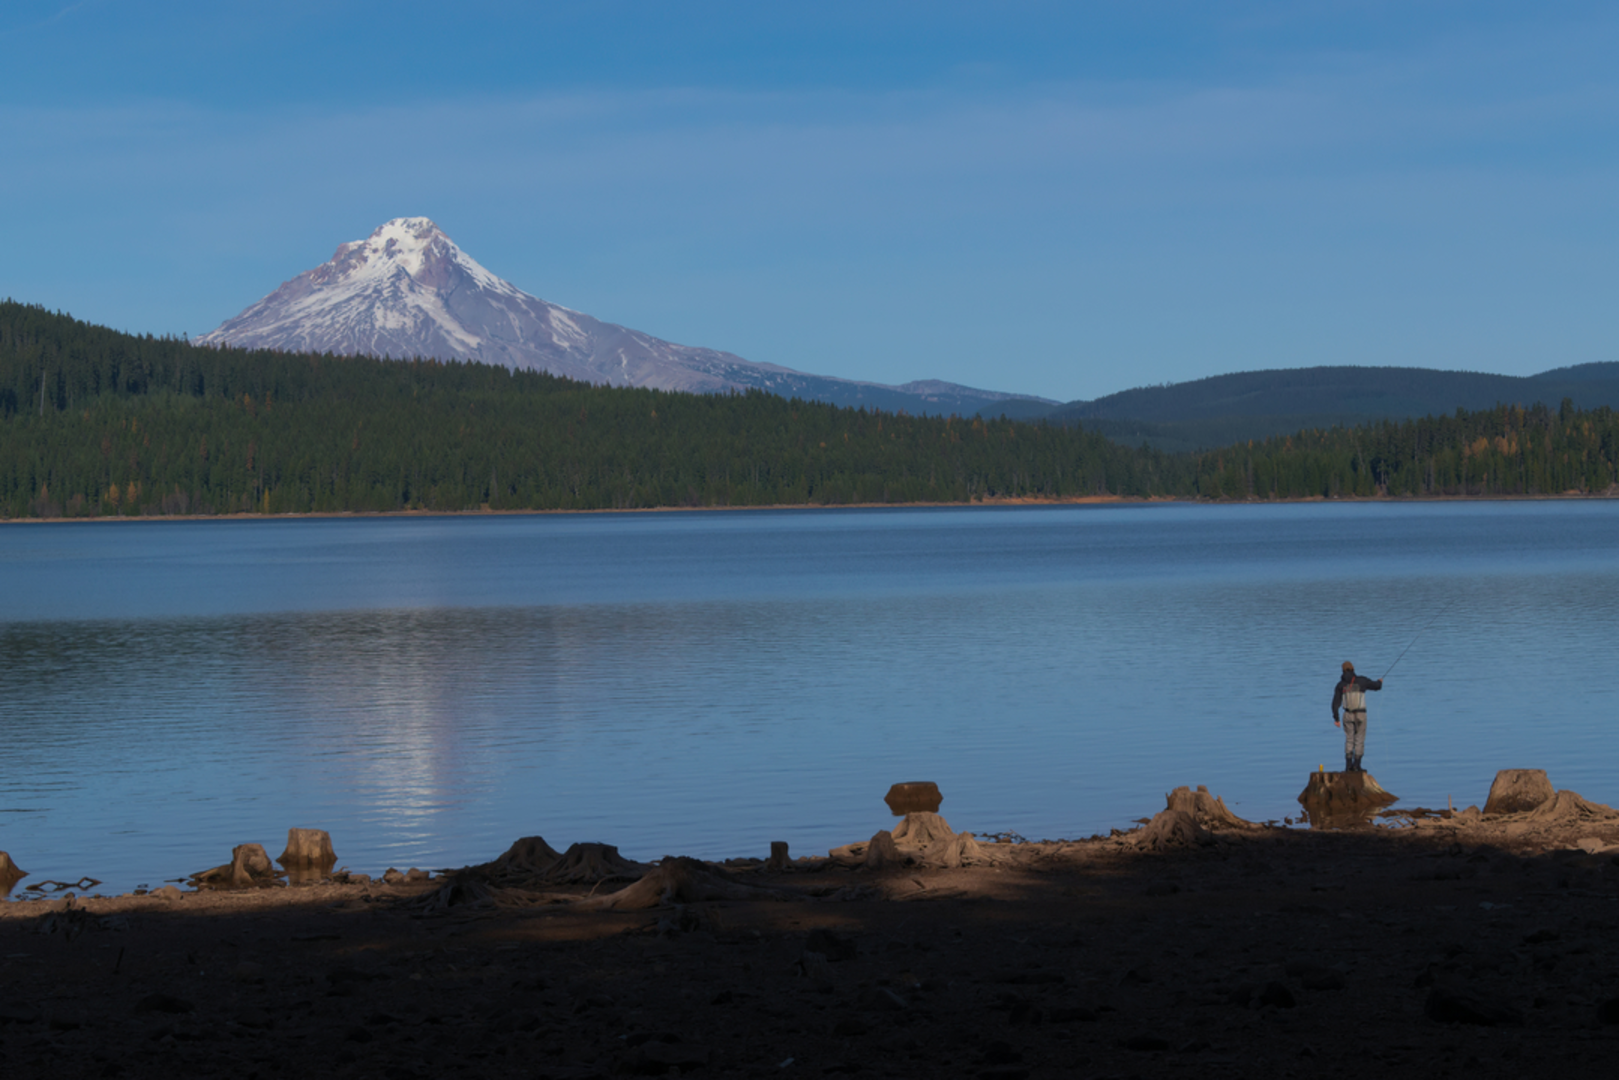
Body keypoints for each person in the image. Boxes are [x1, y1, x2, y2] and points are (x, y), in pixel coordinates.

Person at [1331, 661, 1382, 773]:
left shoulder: (1340, 685)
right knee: (1359, 739)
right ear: (1353, 669)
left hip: (1347, 715)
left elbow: (1335, 703)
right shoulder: (1361, 681)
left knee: (1349, 739)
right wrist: (1379, 682)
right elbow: (1376, 687)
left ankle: (1348, 766)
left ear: (1342, 671)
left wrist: (1336, 718)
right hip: (1361, 714)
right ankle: (1357, 766)